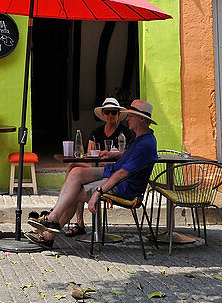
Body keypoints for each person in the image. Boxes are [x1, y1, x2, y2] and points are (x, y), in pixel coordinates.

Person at [28, 99, 159, 248]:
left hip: (123, 187)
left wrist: (98, 191)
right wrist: (113, 155)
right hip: (112, 171)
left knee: (75, 192)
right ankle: (52, 220)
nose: (127, 118)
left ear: (142, 119)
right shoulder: (140, 138)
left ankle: (50, 229)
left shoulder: (145, 144)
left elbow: (122, 174)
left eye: (130, 116)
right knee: (76, 171)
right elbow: (129, 159)